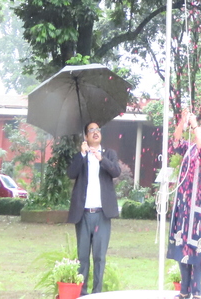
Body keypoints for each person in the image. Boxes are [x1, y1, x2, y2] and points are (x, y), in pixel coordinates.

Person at [167, 109, 201, 299]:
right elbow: (176, 141)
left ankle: (196, 293)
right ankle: (184, 291)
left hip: (198, 208)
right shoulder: (189, 148)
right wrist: (183, 121)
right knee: (182, 244)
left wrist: (194, 125)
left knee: (196, 246)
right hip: (184, 205)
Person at [67, 122, 121, 295]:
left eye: (97, 129)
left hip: (102, 213)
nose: (95, 132)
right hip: (83, 213)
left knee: (99, 256)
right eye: (91, 130)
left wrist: (101, 159)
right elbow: (71, 173)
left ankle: (97, 293)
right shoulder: (80, 156)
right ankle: (82, 294)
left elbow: (116, 172)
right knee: (82, 257)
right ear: (86, 136)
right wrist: (83, 154)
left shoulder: (109, 154)